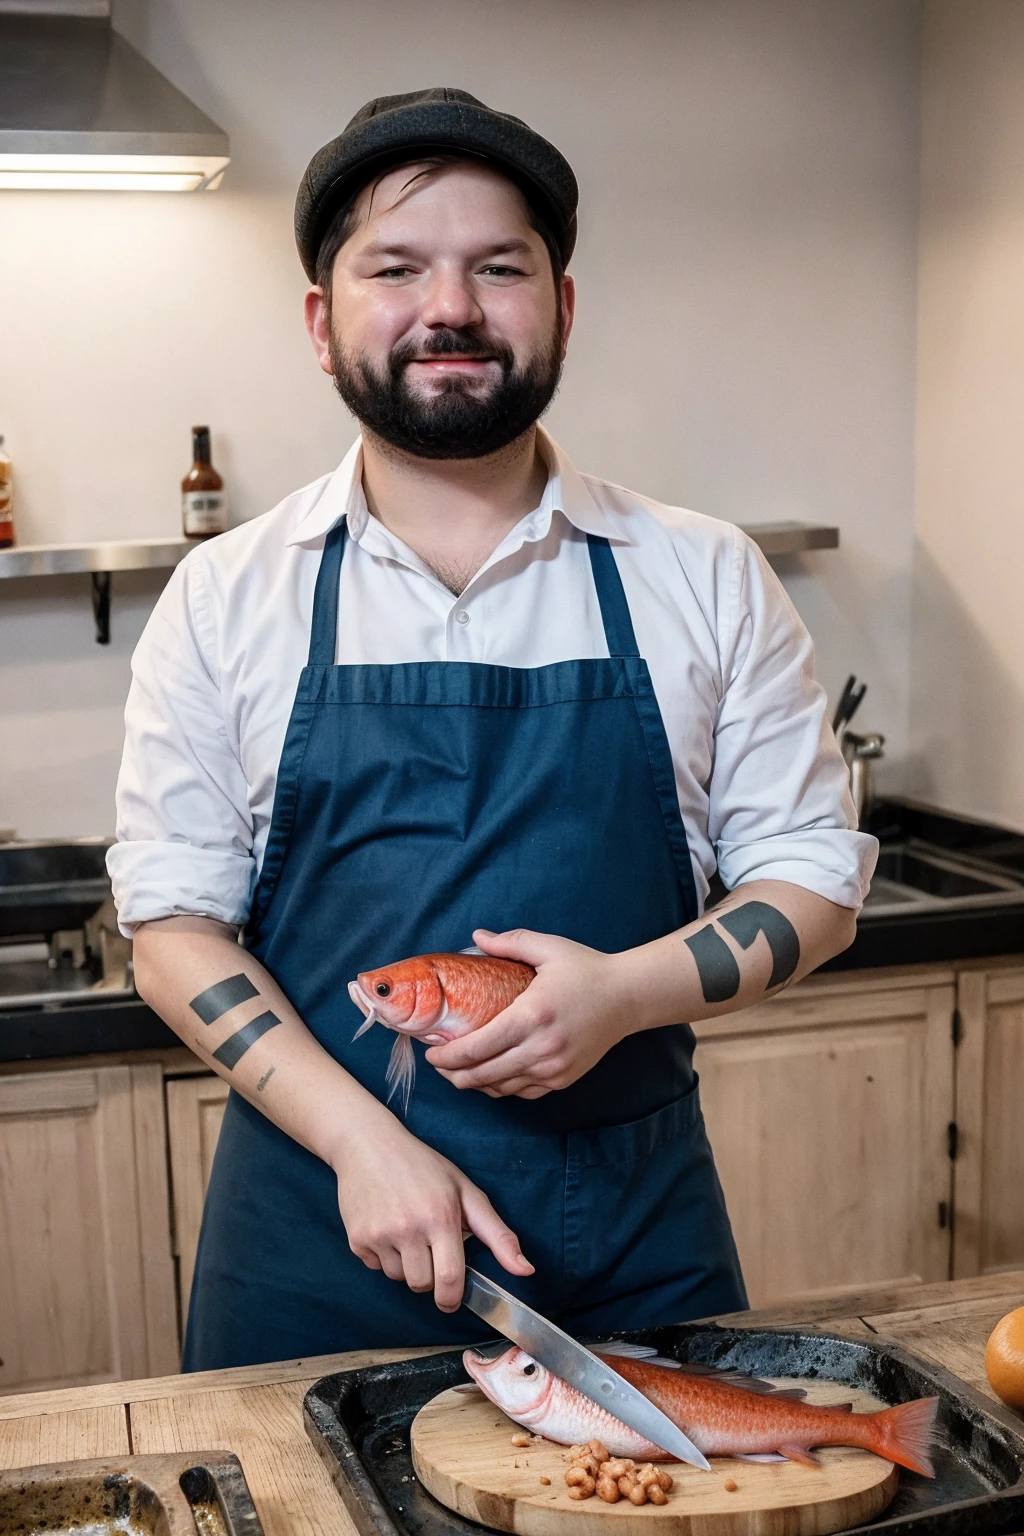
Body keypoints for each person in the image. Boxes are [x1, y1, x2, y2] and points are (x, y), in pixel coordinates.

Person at [108, 88, 876, 1371]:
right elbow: (172, 929)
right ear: (322, 321)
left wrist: (625, 991)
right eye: (396, 268)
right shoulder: (232, 592)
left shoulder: (702, 573)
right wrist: (366, 1142)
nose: (449, 308)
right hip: (318, 1233)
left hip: (637, 1238)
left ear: (562, 308)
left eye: (498, 268)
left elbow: (813, 882)